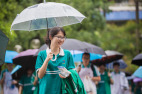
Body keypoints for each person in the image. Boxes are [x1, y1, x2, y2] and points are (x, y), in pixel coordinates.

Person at [35, 27, 75, 94]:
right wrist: (47, 60)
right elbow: (40, 76)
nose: (61, 40)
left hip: (62, 91)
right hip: (45, 91)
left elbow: (73, 74)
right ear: (50, 37)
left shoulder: (67, 54)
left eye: (63, 37)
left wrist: (67, 74)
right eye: (59, 37)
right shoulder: (41, 54)